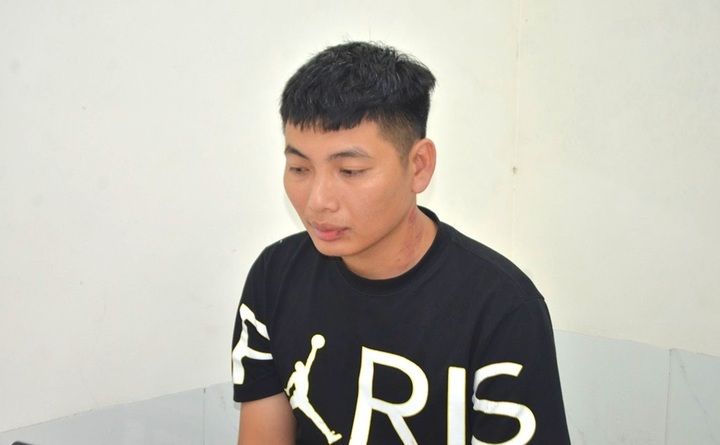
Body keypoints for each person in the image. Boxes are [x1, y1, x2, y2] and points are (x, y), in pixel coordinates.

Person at [231, 41, 570, 444]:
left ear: (418, 166)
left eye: (350, 171)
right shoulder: (275, 276)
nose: (318, 201)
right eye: (299, 168)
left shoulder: (501, 308)